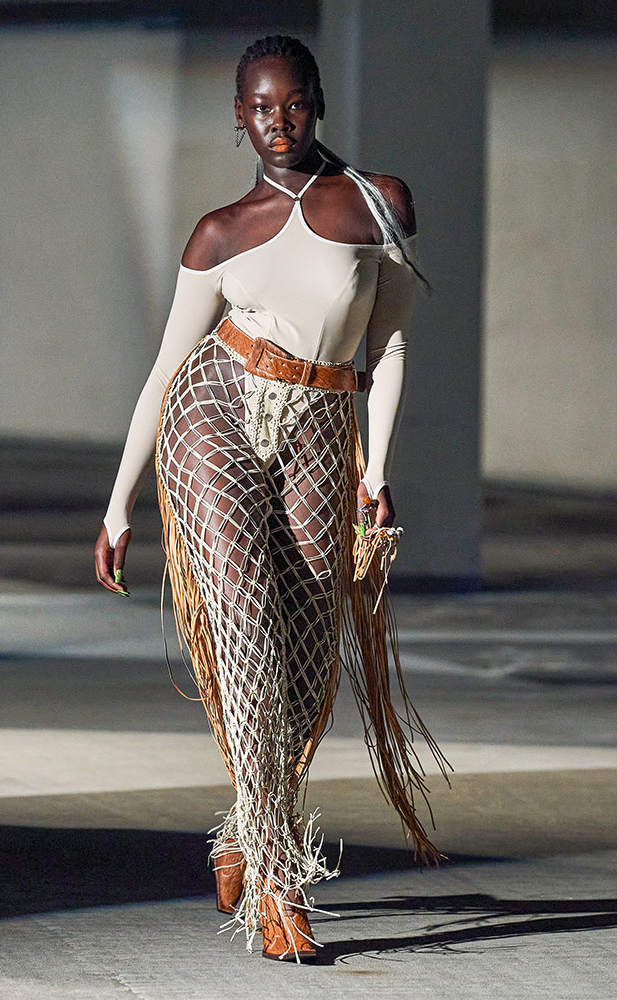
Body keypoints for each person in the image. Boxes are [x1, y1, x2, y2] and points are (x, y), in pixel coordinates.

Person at [95, 34, 449, 963]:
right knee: (246, 628)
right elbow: (165, 367)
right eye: (259, 108)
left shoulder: (379, 202)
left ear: (317, 101)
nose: (277, 123)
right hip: (213, 407)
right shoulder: (220, 230)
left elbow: (390, 345)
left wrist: (376, 469)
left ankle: (242, 828)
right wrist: (119, 502)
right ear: (238, 116)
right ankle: (278, 881)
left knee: (302, 662)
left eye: (291, 104)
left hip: (321, 422)